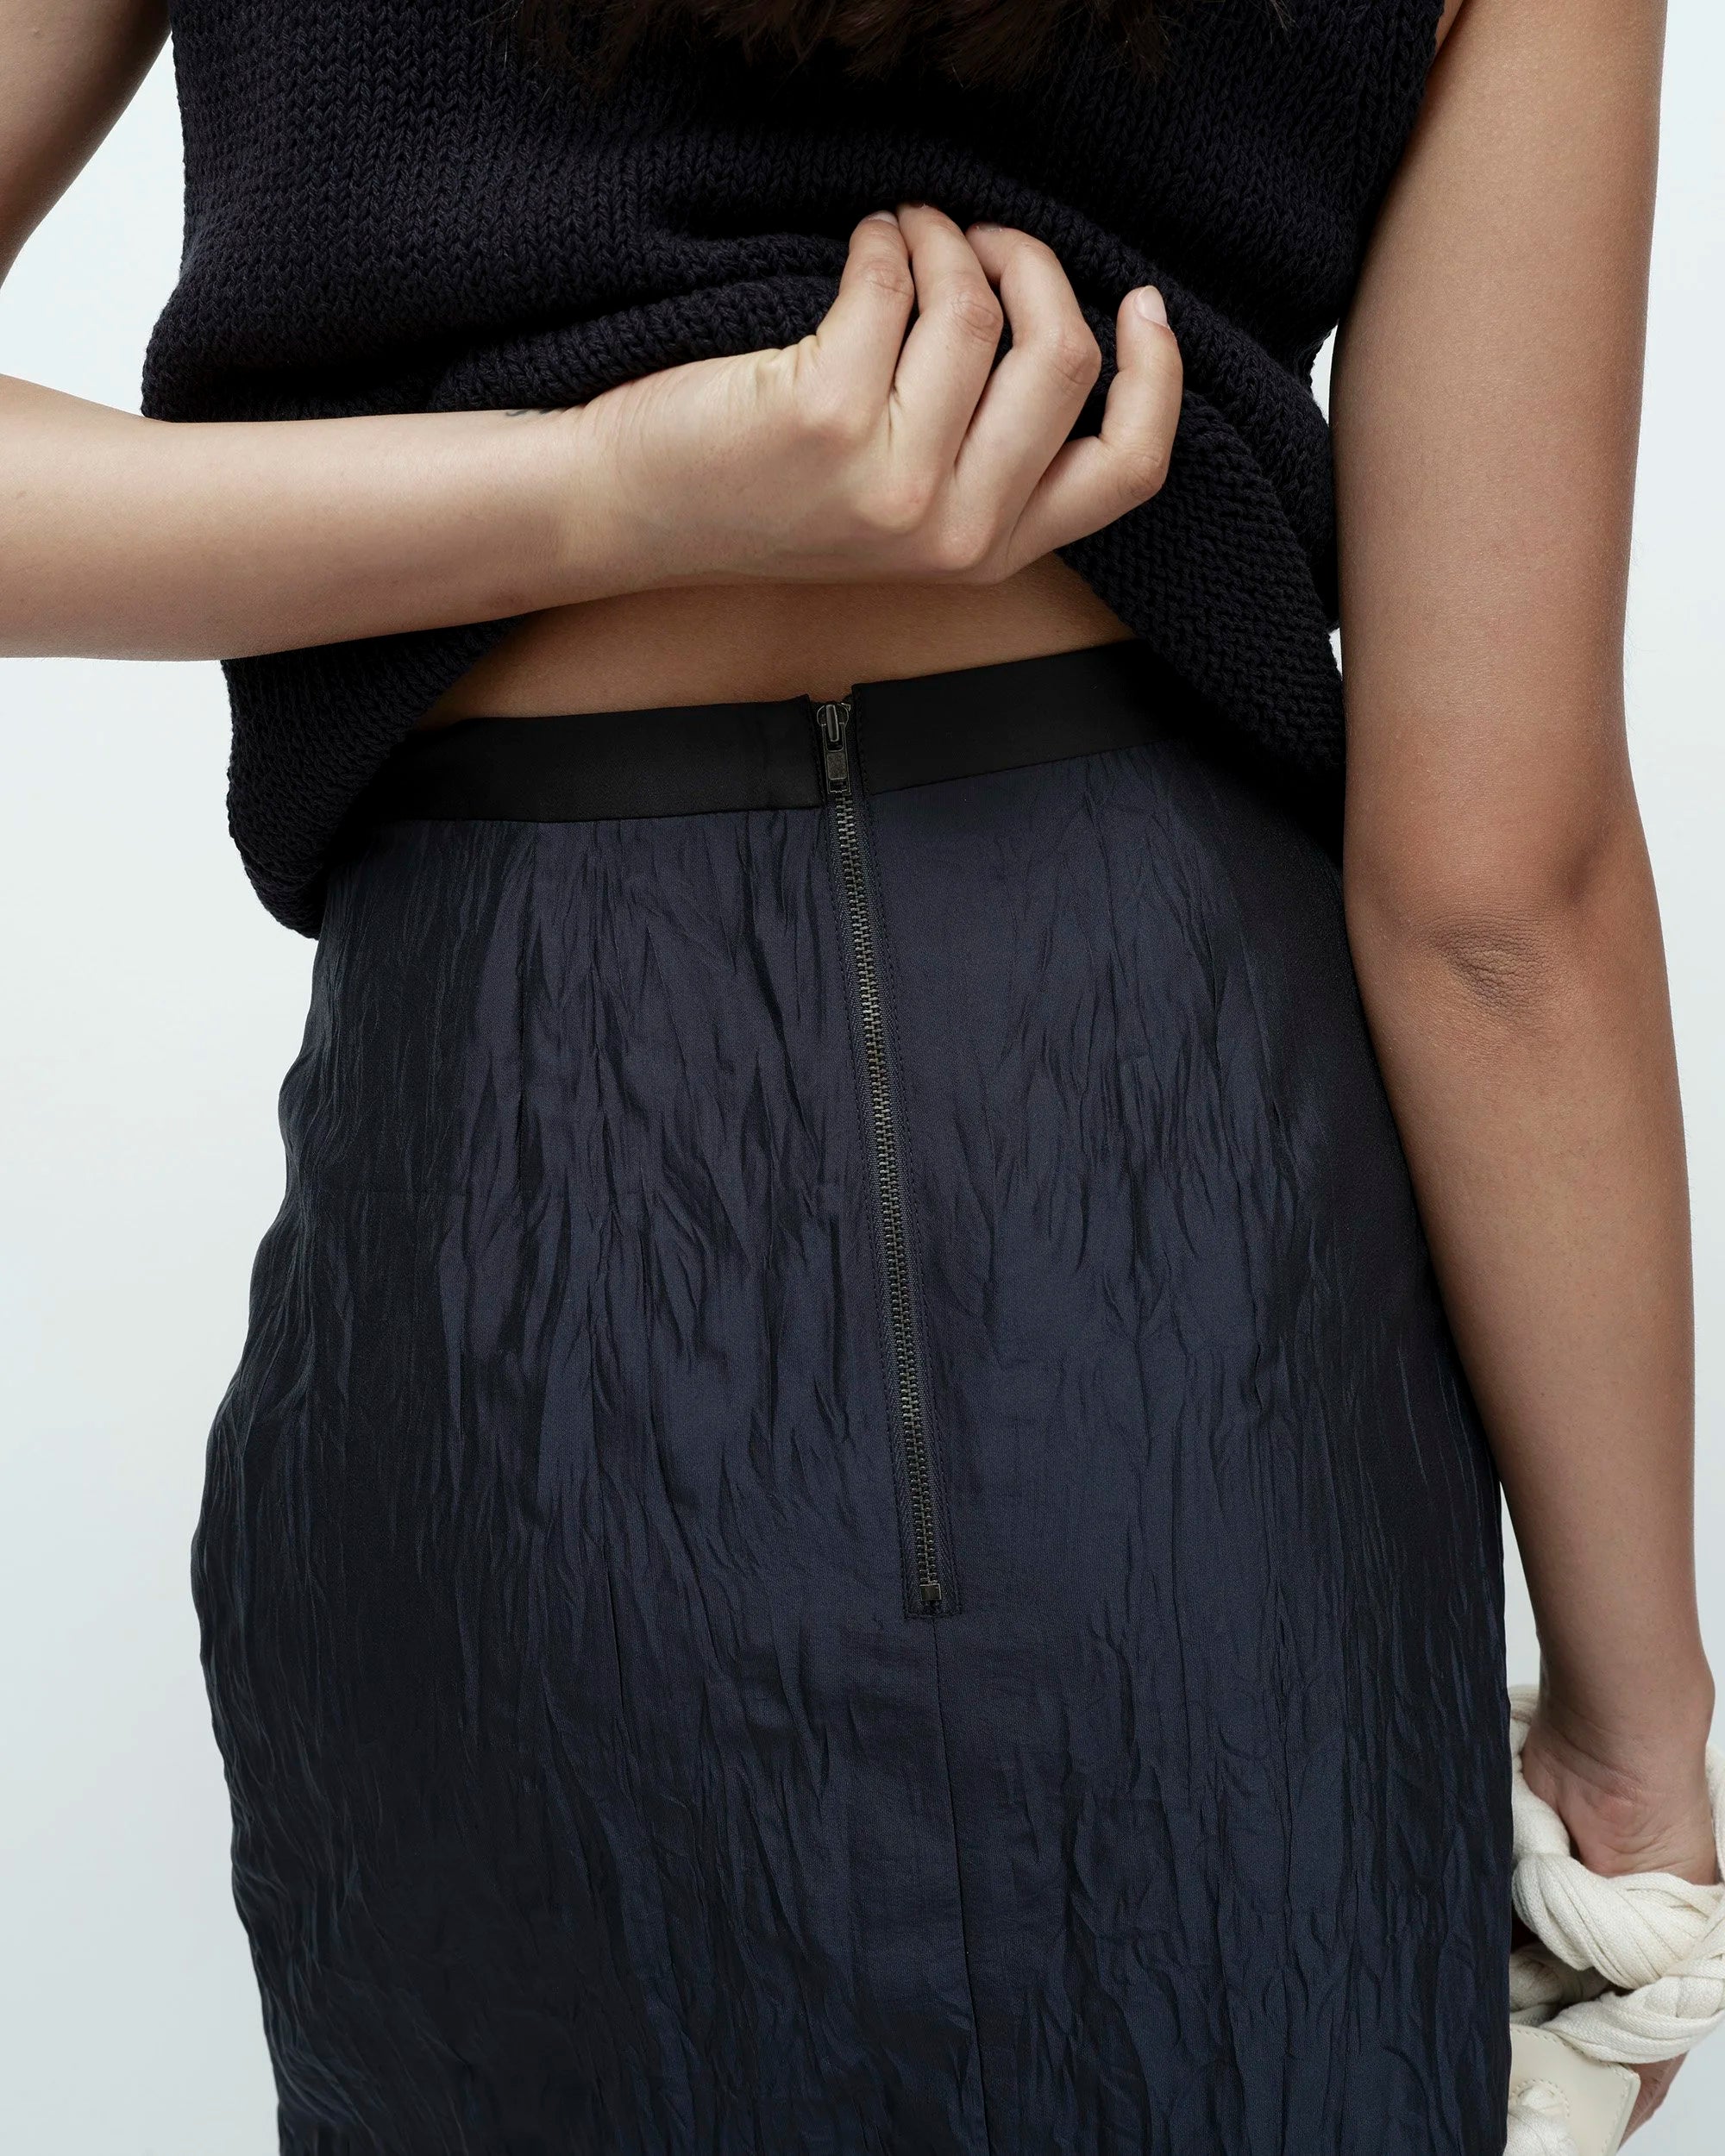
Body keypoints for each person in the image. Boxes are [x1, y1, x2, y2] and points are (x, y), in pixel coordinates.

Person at [0, 0, 1712, 2147]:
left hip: (522, 1196)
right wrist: (1632, 1739)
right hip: (1181, 1211)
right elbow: (1496, 901)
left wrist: (596, 497)